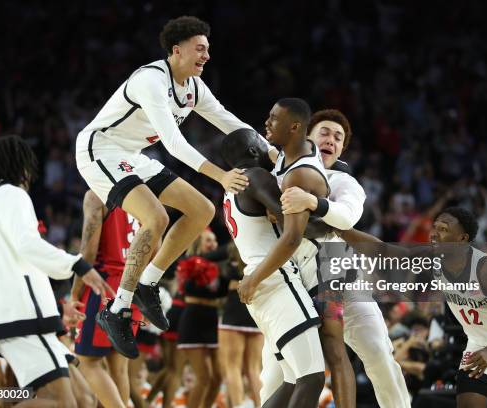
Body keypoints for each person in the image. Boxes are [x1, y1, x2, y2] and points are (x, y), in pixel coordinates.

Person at [74, 15, 263, 358]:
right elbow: (174, 144)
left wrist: (276, 154)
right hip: (98, 149)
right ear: (177, 50)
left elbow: (232, 124)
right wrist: (220, 175)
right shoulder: (151, 80)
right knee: (157, 218)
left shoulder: (193, 87)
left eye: (208, 49)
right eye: (200, 48)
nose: (206, 55)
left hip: (131, 154)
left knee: (202, 209)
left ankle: (148, 282)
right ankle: (117, 310)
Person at [343, 207, 487, 407]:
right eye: (435, 227)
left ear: (462, 238)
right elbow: (385, 251)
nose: (434, 233)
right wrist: (341, 228)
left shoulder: (486, 268)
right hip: (480, 344)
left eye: (443, 229)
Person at [268, 109, 411, 408]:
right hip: (291, 277)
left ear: (342, 150)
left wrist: (311, 203)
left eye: (338, 137)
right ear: (307, 136)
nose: (331, 140)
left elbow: (346, 217)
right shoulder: (278, 172)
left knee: (378, 353)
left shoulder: (344, 182)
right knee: (274, 371)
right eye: (325, 132)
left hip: (339, 270)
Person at [0, 135, 111, 406]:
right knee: (64, 404)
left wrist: (56, 309)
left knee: (84, 399)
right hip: (23, 320)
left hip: (15, 318)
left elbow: (21, 265)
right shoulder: (12, 195)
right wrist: (77, 264)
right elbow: (28, 246)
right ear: (20, 166)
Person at [229, 99, 329, 408]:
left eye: (274, 119)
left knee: (290, 381)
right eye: (260, 143)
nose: (267, 126)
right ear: (253, 153)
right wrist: (328, 223)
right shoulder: (257, 178)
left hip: (261, 283)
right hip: (274, 278)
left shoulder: (231, 189)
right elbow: (293, 236)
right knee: (312, 379)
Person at [71, 190, 144, 408]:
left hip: (105, 285)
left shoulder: (96, 194)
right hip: (133, 285)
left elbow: (88, 253)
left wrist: (75, 292)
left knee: (87, 362)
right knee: (118, 366)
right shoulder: (142, 192)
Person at [176, 229, 228, 408]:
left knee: (218, 377)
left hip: (212, 320)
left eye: (214, 241)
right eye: (208, 241)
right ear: (197, 243)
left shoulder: (217, 266)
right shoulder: (187, 263)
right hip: (194, 320)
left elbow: (222, 291)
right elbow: (189, 288)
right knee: (204, 377)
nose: (213, 244)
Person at [218, 242, 263, 408]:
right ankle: (260, 405)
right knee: (254, 369)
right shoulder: (261, 259)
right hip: (255, 311)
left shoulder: (230, 263)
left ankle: (238, 405)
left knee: (232, 367)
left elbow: (220, 288)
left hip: (233, 314)